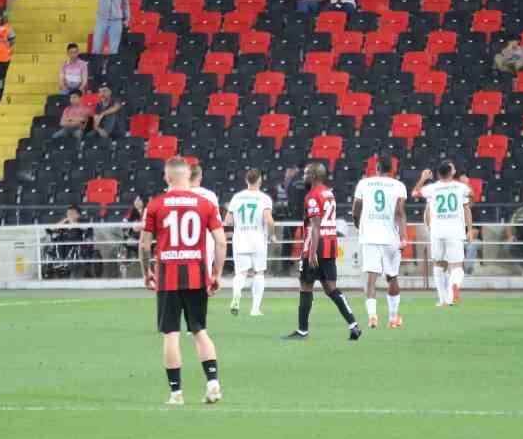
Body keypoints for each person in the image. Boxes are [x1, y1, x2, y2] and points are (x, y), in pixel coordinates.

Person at [139, 156, 227, 406]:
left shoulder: (156, 205)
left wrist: (147, 272)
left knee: (171, 334)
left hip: (168, 277)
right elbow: (221, 242)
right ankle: (213, 384)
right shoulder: (205, 203)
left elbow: (144, 244)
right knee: (199, 330)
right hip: (197, 275)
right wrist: (217, 274)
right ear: (189, 176)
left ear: (167, 177)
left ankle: (176, 393)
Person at [285, 161, 361, 341]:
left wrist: (311, 253)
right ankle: (353, 324)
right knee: (331, 288)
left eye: (305, 173)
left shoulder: (312, 195)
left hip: (316, 245)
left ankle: (302, 330)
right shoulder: (329, 193)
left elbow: (315, 225)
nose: (303, 176)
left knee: (305, 286)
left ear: (313, 176)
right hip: (330, 244)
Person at [353, 154, 409, 329]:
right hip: (390, 237)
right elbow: (399, 213)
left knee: (371, 278)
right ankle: (393, 318)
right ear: (391, 170)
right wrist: (403, 237)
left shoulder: (364, 184)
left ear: (376, 169)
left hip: (369, 236)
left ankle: (372, 316)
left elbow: (356, 210)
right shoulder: (399, 186)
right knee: (392, 277)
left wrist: (358, 225)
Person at [422, 162, 473, 306]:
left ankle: (443, 299)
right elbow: (466, 209)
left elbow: (427, 211)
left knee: (439, 264)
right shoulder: (459, 188)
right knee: (457, 266)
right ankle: (454, 286)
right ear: (451, 172)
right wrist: (469, 230)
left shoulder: (433, 188)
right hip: (455, 231)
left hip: (437, 231)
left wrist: (429, 229)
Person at [225, 168, 274, 317]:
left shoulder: (237, 197)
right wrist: (272, 235)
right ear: (260, 180)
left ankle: (236, 296)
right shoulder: (264, 198)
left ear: (246, 180)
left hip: (240, 240)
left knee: (240, 273)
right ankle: (255, 309)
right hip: (258, 240)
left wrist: (231, 231)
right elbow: (268, 220)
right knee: (258, 273)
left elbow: (228, 220)